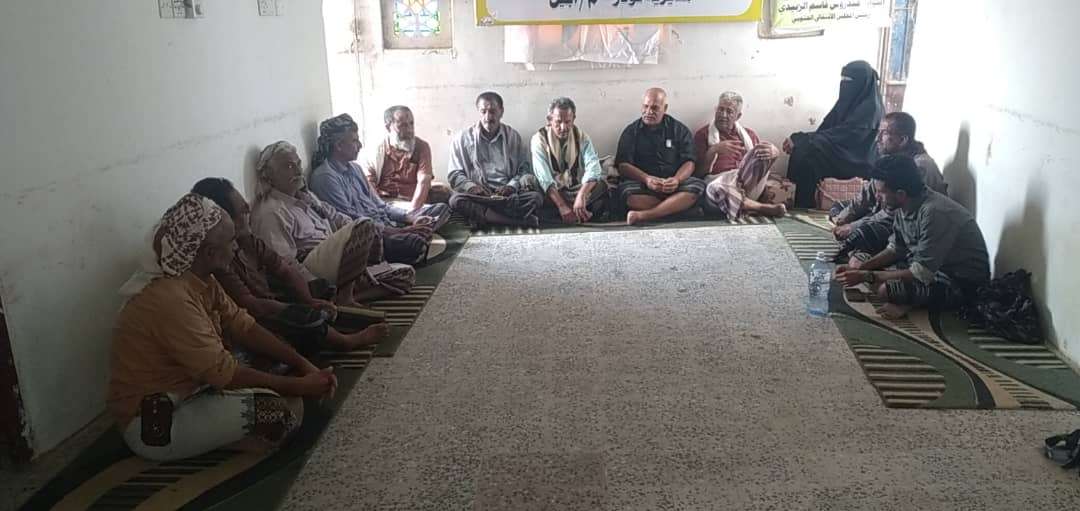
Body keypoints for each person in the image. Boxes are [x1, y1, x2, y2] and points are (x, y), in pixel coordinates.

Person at [109, 193, 337, 461]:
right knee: (275, 412)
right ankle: (220, 439)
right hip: (156, 421)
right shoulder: (169, 299)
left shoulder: (200, 278)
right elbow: (224, 372)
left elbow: (245, 327)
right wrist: (300, 386)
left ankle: (226, 430)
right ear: (209, 253)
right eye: (231, 241)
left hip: (194, 388)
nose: (236, 247)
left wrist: (304, 365)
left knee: (274, 363)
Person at [192, 178, 389, 352]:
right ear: (224, 219)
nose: (248, 211)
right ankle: (346, 341)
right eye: (242, 211)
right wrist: (296, 308)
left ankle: (334, 322)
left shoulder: (248, 240)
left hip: (273, 300)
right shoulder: (219, 259)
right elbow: (252, 305)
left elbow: (285, 269)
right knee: (303, 318)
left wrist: (308, 300)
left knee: (322, 292)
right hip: (257, 316)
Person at [250, 141, 416, 307]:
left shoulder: (306, 197)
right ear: (269, 176)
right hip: (314, 269)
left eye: (298, 164)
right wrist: (313, 285)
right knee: (365, 225)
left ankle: (340, 296)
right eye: (288, 166)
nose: (298, 171)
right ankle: (344, 296)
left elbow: (337, 217)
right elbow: (284, 262)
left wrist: (357, 243)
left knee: (406, 274)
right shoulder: (270, 212)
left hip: (341, 265)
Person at [835, 155, 989, 320]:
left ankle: (911, 302)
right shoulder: (904, 205)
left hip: (958, 281)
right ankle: (910, 297)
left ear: (901, 194)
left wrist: (867, 276)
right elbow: (896, 249)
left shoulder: (935, 212)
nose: (877, 197)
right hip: (926, 268)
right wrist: (861, 269)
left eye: (881, 192)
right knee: (860, 263)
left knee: (885, 290)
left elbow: (921, 272)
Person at [309, 114, 449, 265]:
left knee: (441, 209)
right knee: (414, 244)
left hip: (388, 224)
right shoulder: (325, 177)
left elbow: (381, 205)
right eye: (355, 141)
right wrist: (400, 231)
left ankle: (417, 234)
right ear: (339, 145)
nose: (360, 145)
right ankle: (414, 239)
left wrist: (411, 218)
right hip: (371, 235)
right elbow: (352, 223)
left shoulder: (355, 168)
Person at [830, 112, 947, 257]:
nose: (877, 139)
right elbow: (869, 193)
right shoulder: (892, 159)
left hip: (905, 222)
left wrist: (853, 226)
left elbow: (896, 211)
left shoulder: (919, 166)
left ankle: (860, 253)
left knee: (862, 235)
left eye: (884, 133)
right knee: (838, 207)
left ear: (903, 139)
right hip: (884, 209)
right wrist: (843, 218)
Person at [783, 60, 885, 208]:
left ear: (862, 83)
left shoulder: (871, 109)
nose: (844, 84)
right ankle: (792, 202)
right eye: (843, 79)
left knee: (809, 158)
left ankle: (804, 207)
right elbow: (826, 130)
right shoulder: (846, 102)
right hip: (840, 153)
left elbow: (847, 135)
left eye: (849, 80)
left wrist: (805, 140)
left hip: (858, 159)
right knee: (803, 149)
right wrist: (800, 140)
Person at [448, 91, 543, 227]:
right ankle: (515, 222)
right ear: (478, 112)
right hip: (480, 197)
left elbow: (524, 169)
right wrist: (472, 187)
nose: (488, 117)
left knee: (536, 198)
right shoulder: (462, 138)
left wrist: (511, 186)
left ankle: (487, 218)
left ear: (501, 112)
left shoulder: (513, 137)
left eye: (492, 111)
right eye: (483, 112)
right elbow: (454, 174)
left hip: (507, 197)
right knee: (456, 200)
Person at [615, 87, 704, 225]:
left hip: (674, 185)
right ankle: (678, 209)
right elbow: (623, 165)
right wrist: (647, 179)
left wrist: (677, 179)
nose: (649, 112)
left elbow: (689, 162)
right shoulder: (631, 131)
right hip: (644, 185)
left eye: (655, 108)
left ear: (665, 108)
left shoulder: (679, 130)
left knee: (697, 186)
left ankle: (644, 215)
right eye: (646, 106)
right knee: (625, 194)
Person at [693, 91, 786, 218]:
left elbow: (758, 165)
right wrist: (714, 150)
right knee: (716, 186)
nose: (723, 115)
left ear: (738, 116)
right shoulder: (703, 135)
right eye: (720, 109)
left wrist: (774, 153)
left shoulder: (749, 135)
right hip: (717, 186)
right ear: (716, 109)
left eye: (729, 111)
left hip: (747, 185)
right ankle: (760, 208)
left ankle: (743, 202)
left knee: (766, 149)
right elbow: (698, 174)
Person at [530, 97, 608, 224]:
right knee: (530, 182)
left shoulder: (581, 137)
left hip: (574, 190)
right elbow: (544, 177)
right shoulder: (539, 139)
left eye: (567, 122)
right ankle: (572, 212)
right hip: (552, 192)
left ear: (573, 119)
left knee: (601, 184)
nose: (563, 127)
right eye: (558, 122)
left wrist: (581, 195)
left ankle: (569, 212)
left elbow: (593, 167)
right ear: (549, 119)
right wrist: (562, 205)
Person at [360, 105, 452, 211]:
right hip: (386, 204)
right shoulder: (377, 149)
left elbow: (424, 181)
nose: (409, 130)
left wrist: (412, 212)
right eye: (403, 125)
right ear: (388, 127)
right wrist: (383, 211)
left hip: (414, 203)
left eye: (411, 123)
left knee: (443, 200)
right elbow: (369, 185)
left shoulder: (422, 146)